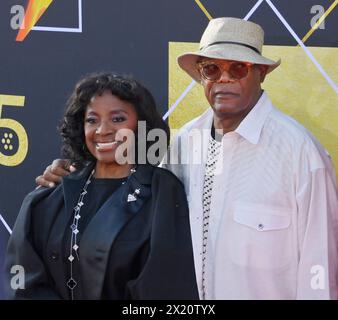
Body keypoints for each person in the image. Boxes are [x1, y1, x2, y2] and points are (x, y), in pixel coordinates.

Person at [35, 18, 338, 299]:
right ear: (200, 75)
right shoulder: (180, 144)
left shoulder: (300, 154)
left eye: (238, 68)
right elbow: (121, 185)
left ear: (261, 72)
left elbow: (320, 268)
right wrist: (69, 175)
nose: (224, 78)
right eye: (212, 69)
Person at [5, 72, 198, 300]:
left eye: (117, 119)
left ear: (141, 125)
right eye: (92, 120)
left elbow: (165, 284)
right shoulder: (50, 195)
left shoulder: (162, 191)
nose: (102, 130)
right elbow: (22, 281)